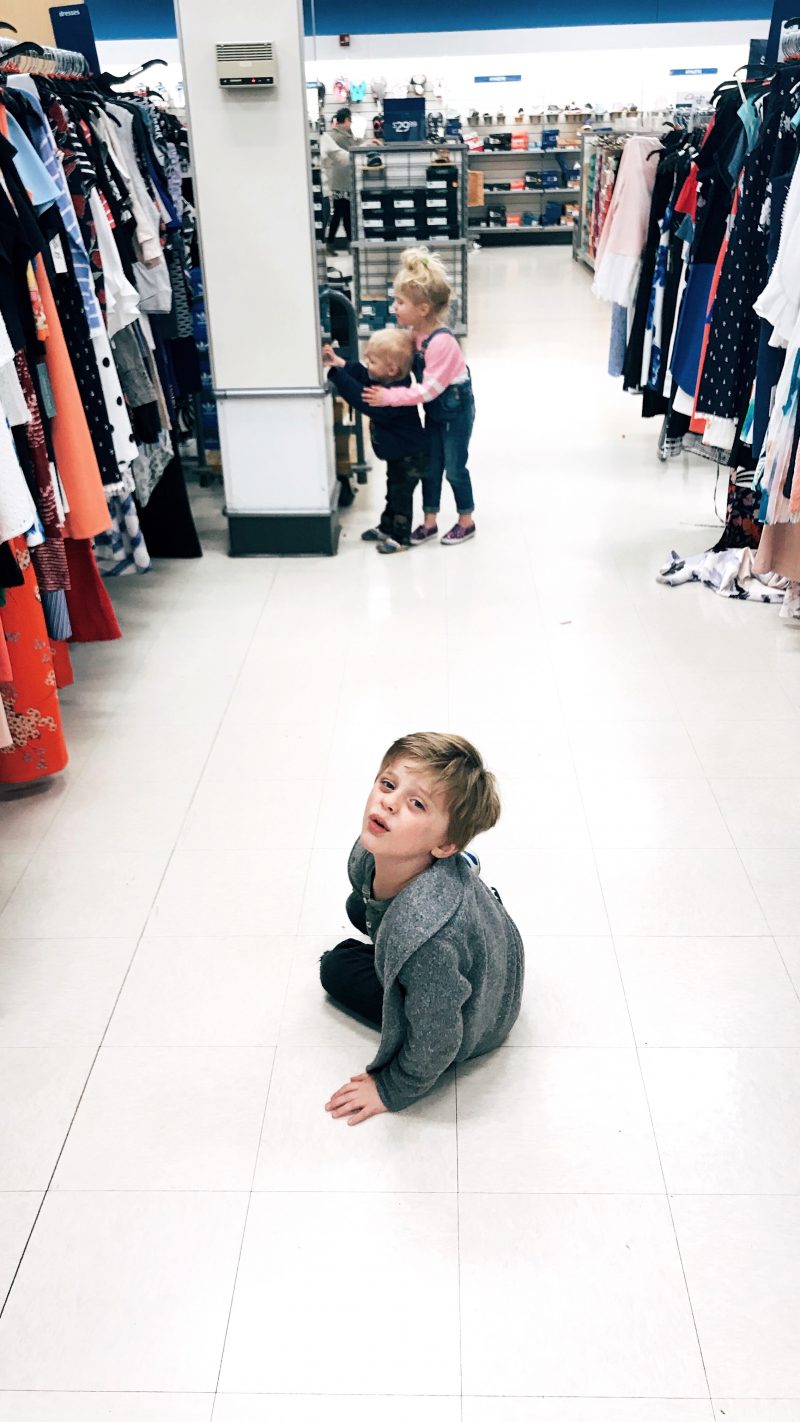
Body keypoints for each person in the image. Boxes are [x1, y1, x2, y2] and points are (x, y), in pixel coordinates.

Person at [320, 733, 525, 1125]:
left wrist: (392, 1086)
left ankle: (411, 959)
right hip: (491, 948)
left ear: (445, 846)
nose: (390, 803)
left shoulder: (431, 944)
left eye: (416, 804)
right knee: (357, 905)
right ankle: (413, 947)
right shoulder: (372, 854)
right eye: (388, 784)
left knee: (336, 967)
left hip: (480, 1018)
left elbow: (439, 1038)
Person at [363, 247, 476, 547]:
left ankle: (466, 520)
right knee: (431, 467)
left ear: (423, 308)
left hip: (455, 411)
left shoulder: (442, 343)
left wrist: (389, 397)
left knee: (454, 468)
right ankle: (429, 522)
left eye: (400, 302)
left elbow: (428, 391)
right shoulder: (415, 335)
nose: (394, 307)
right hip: (436, 412)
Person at [322, 328, 428, 553]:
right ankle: (387, 526)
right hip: (398, 454)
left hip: (410, 457)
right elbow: (363, 375)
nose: (367, 365)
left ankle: (400, 537)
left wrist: (336, 375)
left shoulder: (393, 396)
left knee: (400, 497)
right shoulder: (386, 379)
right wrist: (341, 363)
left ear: (391, 369)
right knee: (392, 491)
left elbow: (362, 399)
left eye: (372, 361)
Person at [321, 108, 357, 253]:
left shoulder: (337, 135)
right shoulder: (341, 137)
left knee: (341, 212)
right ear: (347, 120)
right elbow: (350, 155)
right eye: (350, 120)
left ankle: (336, 243)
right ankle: (347, 243)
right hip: (342, 181)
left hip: (340, 181)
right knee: (343, 213)